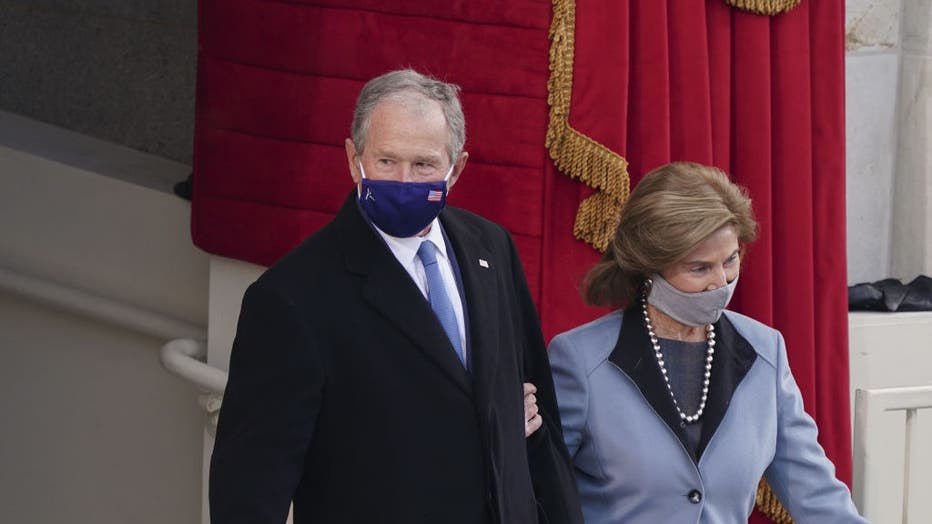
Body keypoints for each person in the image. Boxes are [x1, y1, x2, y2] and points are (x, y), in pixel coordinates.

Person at [209, 69, 583, 524]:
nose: (404, 181)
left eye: (423, 165)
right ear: (354, 159)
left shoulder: (492, 248)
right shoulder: (291, 297)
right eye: (386, 162)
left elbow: (537, 420)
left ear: (456, 168)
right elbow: (250, 488)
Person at [547, 162, 868, 523]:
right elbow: (541, 494)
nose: (721, 283)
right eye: (699, 268)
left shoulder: (766, 351)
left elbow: (815, 493)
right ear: (650, 268)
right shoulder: (580, 360)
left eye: (730, 260)